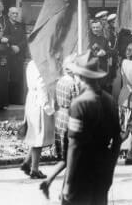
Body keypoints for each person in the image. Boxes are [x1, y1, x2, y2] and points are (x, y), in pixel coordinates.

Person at [61, 51, 121, 205]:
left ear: (80, 77)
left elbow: (74, 146)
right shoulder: (111, 101)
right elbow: (117, 141)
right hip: (102, 168)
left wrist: (68, 183)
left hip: (81, 170)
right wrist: (109, 169)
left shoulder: (79, 104)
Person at [39, 54, 81, 199]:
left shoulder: (60, 81)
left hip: (60, 117)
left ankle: (53, 183)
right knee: (71, 159)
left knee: (65, 158)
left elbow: (57, 100)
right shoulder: (73, 84)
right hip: (70, 118)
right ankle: (64, 192)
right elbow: (77, 104)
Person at [20, 60, 55, 180]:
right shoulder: (42, 64)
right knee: (39, 135)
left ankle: (26, 163)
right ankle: (34, 169)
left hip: (31, 98)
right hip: (39, 101)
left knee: (35, 134)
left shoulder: (31, 63)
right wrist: (47, 106)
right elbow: (42, 85)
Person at [7, 7, 28, 104]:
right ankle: (8, 100)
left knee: (18, 78)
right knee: (8, 78)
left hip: (18, 55)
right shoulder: (5, 25)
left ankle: (17, 100)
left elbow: (24, 39)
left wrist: (18, 47)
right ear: (9, 14)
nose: (15, 15)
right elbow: (4, 37)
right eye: (13, 13)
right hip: (8, 55)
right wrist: (11, 46)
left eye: (16, 13)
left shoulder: (21, 26)